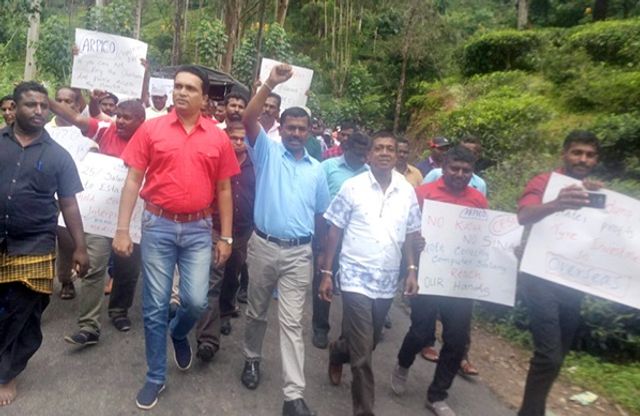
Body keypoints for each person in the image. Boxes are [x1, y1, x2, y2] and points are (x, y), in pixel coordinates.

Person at [112, 65, 239, 410]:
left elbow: (224, 189)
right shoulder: (151, 129)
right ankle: (156, 375)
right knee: (154, 305)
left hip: (199, 229)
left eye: (190, 88)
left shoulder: (217, 137)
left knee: (195, 301)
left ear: (204, 97)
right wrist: (122, 229)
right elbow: (133, 180)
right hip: (158, 225)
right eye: (178, 86)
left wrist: (226, 237)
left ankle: (179, 332)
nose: (181, 92)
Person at [240, 64, 330, 416]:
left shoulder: (317, 170)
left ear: (309, 132)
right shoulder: (267, 151)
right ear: (282, 127)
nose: (295, 133)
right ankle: (251, 358)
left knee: (293, 322)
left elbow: (320, 215)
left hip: (299, 254)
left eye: (301, 128)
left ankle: (293, 395)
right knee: (257, 312)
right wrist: (270, 84)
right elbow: (248, 118)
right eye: (290, 127)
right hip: (263, 246)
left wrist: (321, 257)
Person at [0, 81, 89, 407]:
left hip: (35, 242)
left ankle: (6, 373)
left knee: (23, 311)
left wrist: (80, 246)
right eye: (30, 105)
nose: (38, 111)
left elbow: (69, 204)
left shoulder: (58, 156)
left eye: (43, 105)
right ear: (15, 107)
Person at [320, 131, 421, 416]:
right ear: (369, 155)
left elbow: (411, 233)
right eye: (379, 148)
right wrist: (326, 272)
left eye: (390, 148)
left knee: (370, 341)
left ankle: (338, 350)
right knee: (363, 354)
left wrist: (411, 270)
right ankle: (364, 410)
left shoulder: (407, 191)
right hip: (354, 277)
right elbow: (334, 230)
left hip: (387, 280)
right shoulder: (353, 187)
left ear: (397, 155)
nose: (385, 153)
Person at [391, 145, 488, 416]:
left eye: (466, 170)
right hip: (428, 274)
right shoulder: (424, 194)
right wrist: (415, 249)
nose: (460, 174)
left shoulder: (478, 200)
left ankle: (437, 395)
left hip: (459, 280)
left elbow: (483, 238)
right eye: (454, 168)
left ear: (472, 172)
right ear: (443, 168)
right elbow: (407, 230)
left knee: (456, 340)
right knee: (421, 332)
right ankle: (403, 363)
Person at [48, 93, 147, 344]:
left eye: (126, 118)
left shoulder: (150, 139)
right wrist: (45, 100)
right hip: (100, 215)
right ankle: (88, 325)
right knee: (94, 266)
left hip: (133, 217)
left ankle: (119, 310)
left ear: (141, 121)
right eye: (118, 116)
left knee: (128, 268)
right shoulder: (105, 130)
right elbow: (73, 117)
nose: (119, 121)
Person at [517, 131, 602, 416]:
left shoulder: (597, 194)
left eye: (589, 155)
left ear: (596, 160)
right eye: (577, 152)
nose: (583, 159)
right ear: (564, 154)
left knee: (557, 357)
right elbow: (523, 215)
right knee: (549, 355)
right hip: (539, 278)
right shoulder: (544, 182)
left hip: (573, 283)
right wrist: (557, 203)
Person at [195, 120, 255, 359]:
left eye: (242, 139)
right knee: (213, 278)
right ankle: (208, 339)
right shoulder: (214, 160)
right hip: (215, 228)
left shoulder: (256, 163)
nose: (238, 143)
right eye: (234, 138)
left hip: (243, 230)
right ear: (225, 138)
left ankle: (226, 312)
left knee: (232, 275)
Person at [311, 131, 370, 349]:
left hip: (356, 235)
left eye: (365, 154)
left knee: (352, 285)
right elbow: (317, 200)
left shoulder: (369, 174)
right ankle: (320, 328)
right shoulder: (328, 167)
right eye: (357, 153)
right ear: (346, 149)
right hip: (329, 232)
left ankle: (350, 333)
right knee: (323, 276)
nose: (362, 158)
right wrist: (320, 242)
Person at [422, 136, 487, 196]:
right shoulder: (436, 174)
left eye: (471, 152)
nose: (465, 154)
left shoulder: (480, 184)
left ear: (478, 156)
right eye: (463, 150)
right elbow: (420, 195)